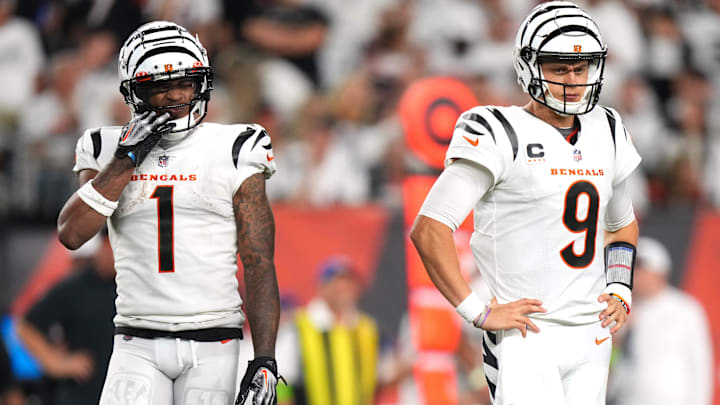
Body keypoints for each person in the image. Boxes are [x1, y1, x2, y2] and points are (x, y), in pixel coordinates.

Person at [409, 2, 641, 404]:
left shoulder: (607, 127)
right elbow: (429, 228)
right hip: (527, 334)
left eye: (581, 67)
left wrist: (620, 287)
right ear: (529, 67)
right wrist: (477, 312)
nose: (572, 79)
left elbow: (621, 224)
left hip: (592, 333)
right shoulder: (500, 131)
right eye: (558, 68)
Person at [56, 21, 282, 405]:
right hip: (135, 340)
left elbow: (258, 260)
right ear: (134, 91)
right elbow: (73, 235)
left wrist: (264, 359)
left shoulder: (236, 145)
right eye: (157, 86)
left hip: (215, 339)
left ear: (203, 83)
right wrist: (127, 158)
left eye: (184, 82)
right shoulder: (103, 145)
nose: (174, 95)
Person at [609, 236, 713, 405]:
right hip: (628, 400)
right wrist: (619, 338)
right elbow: (611, 367)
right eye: (633, 269)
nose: (636, 275)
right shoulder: (621, 311)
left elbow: (700, 364)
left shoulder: (685, 309)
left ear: (660, 273)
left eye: (642, 269)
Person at [16, 232, 116, 405]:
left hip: (124, 390)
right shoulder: (75, 287)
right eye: (109, 245)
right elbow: (26, 328)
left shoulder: (132, 286)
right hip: (83, 393)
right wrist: (57, 363)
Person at [275, 256, 379, 405]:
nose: (344, 289)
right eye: (337, 283)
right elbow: (281, 380)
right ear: (322, 287)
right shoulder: (299, 327)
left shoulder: (366, 328)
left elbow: (380, 377)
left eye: (348, 283)